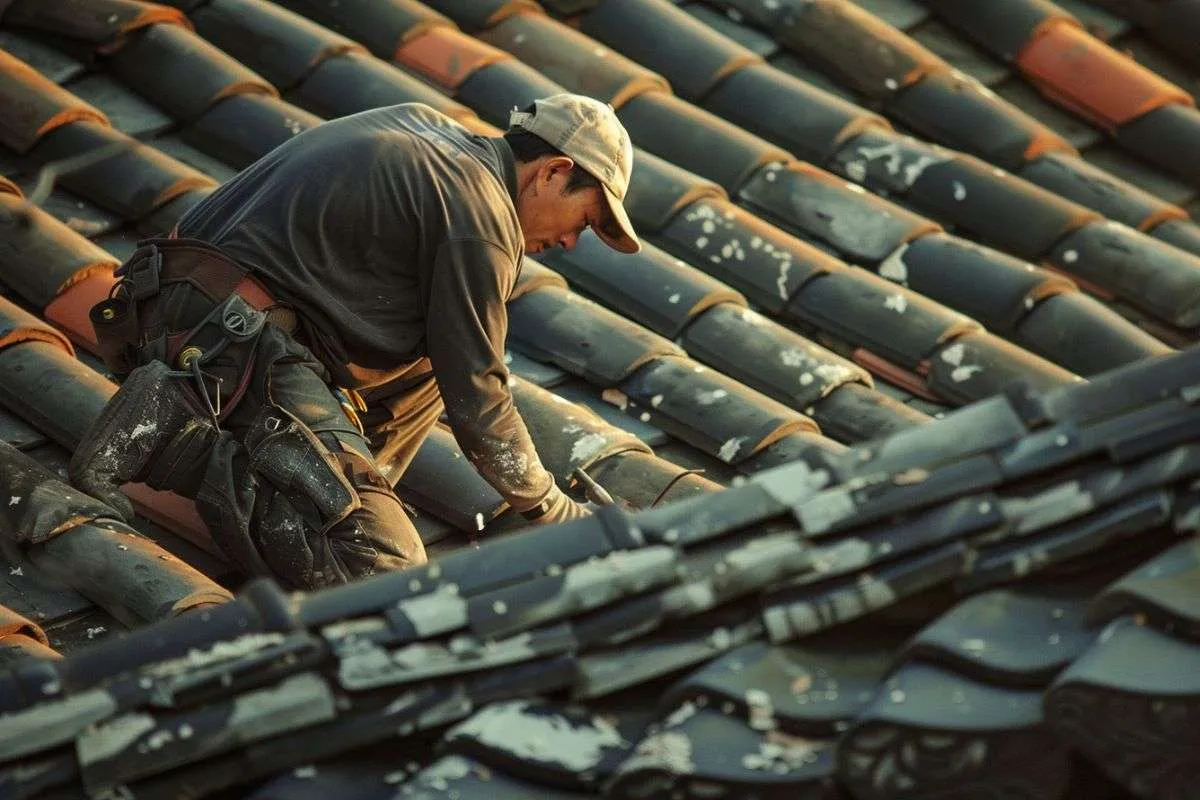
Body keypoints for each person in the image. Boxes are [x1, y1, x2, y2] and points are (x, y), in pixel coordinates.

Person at [71, 93, 642, 590]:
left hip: (160, 309)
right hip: (230, 343)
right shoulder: (481, 216)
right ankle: (179, 440)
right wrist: (555, 510)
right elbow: (478, 400)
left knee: (427, 357)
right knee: (383, 569)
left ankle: (324, 483)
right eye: (585, 220)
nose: (571, 241)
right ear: (552, 171)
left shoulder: (421, 126)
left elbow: (441, 369)